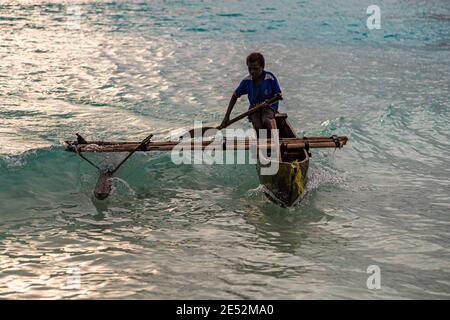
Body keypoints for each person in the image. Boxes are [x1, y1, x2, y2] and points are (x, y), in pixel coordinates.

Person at [220, 52, 282, 137]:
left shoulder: (270, 78)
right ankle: (264, 143)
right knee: (258, 126)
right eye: (250, 69)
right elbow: (234, 96)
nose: (252, 71)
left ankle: (274, 140)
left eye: (256, 69)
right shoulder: (247, 81)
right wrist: (227, 116)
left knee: (266, 121)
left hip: (269, 107)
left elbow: (278, 95)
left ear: (262, 67)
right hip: (254, 109)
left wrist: (270, 101)